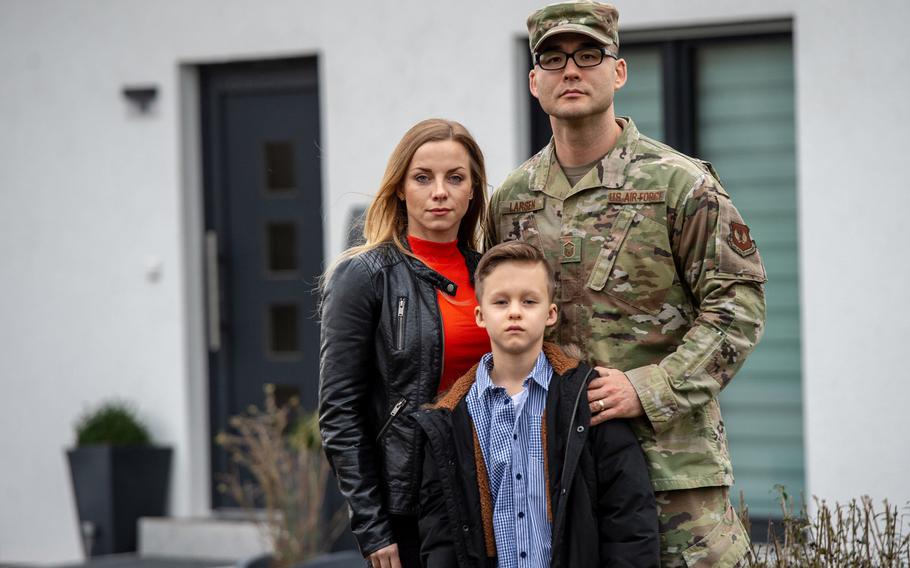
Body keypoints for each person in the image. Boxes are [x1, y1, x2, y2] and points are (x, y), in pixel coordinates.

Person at [484, 3, 768, 566]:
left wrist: (650, 386)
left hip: (672, 474)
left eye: (589, 55)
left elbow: (738, 306)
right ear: (534, 80)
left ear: (618, 72)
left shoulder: (679, 184)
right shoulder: (511, 200)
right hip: (554, 474)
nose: (571, 70)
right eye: (554, 58)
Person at [415, 241, 659, 568]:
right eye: (501, 302)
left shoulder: (587, 399)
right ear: (480, 315)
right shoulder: (450, 418)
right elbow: (440, 536)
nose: (515, 311)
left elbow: (629, 518)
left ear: (550, 314)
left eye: (529, 301)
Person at [319, 118, 492, 568]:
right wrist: (373, 529)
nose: (440, 191)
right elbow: (340, 412)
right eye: (423, 178)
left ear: (472, 190)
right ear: (399, 188)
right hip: (409, 506)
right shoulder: (364, 275)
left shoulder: (490, 275)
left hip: (494, 492)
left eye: (455, 178)